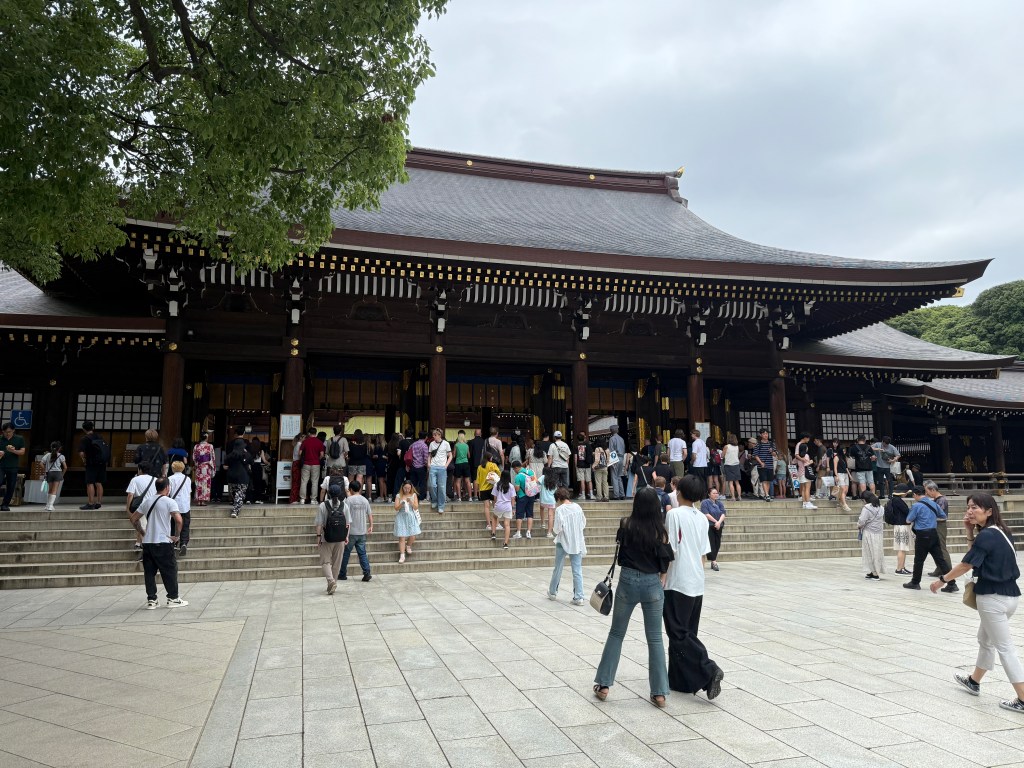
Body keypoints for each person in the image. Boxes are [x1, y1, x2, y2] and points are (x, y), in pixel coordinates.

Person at [935, 492, 1024, 713]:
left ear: (989, 511)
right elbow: (978, 554)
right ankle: (974, 681)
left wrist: (943, 580)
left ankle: (1023, 698)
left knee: (1005, 648)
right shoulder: (1002, 532)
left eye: (975, 507)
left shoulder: (986, 536)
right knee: (985, 638)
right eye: (969, 507)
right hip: (1010, 597)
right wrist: (968, 531)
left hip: (992, 598)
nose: (970, 511)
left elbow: (967, 564)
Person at [593, 487, 674, 707]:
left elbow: (621, 549)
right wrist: (663, 576)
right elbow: (666, 559)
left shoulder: (625, 524)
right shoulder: (661, 531)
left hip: (627, 581)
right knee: (655, 638)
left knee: (617, 633)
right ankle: (659, 693)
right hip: (652, 583)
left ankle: (604, 684)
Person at [664, 474, 724, 700]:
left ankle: (709, 669)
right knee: (687, 631)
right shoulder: (701, 517)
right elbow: (703, 553)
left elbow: (671, 550)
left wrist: (663, 577)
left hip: (677, 580)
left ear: (679, 492)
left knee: (678, 633)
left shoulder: (673, 515)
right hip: (696, 581)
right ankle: (681, 680)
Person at [129, 478, 188, 609]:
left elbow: (133, 518)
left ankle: (152, 600)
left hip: (148, 542)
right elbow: (178, 520)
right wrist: (177, 536)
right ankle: (173, 598)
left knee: (149, 573)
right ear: (167, 487)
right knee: (170, 570)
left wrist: (142, 532)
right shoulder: (169, 502)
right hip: (163, 542)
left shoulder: (147, 501)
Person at [903, 485, 955, 592]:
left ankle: (915, 582)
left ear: (915, 495)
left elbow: (908, 520)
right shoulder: (933, 503)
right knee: (940, 560)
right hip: (934, 533)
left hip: (922, 534)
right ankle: (952, 583)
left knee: (919, 560)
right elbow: (943, 516)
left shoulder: (916, 506)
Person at [547, 487, 587, 605]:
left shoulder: (560, 510)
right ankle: (579, 596)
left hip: (563, 541)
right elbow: (583, 522)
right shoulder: (577, 507)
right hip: (577, 541)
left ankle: (553, 592)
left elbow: (557, 528)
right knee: (577, 569)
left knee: (558, 567)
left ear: (558, 498)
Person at [315, 484, 349, 595]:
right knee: (337, 563)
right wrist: (346, 537)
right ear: (340, 494)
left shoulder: (323, 506)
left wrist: (318, 537)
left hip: (326, 538)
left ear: (328, 493)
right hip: (340, 538)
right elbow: (348, 524)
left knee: (325, 561)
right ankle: (333, 583)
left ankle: (331, 581)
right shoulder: (344, 506)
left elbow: (319, 524)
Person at [339, 480, 373, 582]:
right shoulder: (365, 500)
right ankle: (367, 573)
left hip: (351, 532)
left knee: (346, 553)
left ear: (351, 489)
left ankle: (342, 574)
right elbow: (370, 514)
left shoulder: (348, 500)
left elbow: (343, 514)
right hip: (362, 531)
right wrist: (371, 526)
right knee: (362, 553)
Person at [125, 465, 159, 559]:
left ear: (140, 469)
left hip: (141, 507)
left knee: (142, 527)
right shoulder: (156, 479)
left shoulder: (135, 479)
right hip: (153, 506)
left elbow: (130, 495)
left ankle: (146, 552)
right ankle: (139, 543)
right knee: (145, 526)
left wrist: (128, 508)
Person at [924, 480, 953, 577]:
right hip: (934, 525)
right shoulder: (935, 500)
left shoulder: (942, 500)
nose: (926, 493)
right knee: (935, 548)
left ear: (932, 490)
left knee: (941, 548)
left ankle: (948, 570)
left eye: (927, 491)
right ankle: (939, 568)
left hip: (940, 525)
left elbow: (941, 515)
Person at [78, 421, 107, 510]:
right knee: (99, 483)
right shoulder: (100, 436)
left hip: (91, 463)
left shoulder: (85, 439)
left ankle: (91, 503)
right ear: (93, 428)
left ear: (83, 429)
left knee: (90, 483)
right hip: (102, 462)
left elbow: (81, 453)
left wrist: (84, 460)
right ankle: (99, 502)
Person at [885, 484, 913, 575]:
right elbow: (907, 512)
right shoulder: (898, 501)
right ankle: (899, 569)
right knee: (902, 548)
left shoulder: (893, 500)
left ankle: (902, 567)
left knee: (902, 548)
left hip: (898, 526)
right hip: (902, 526)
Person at [224, 432, 251, 518]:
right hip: (243, 477)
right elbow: (251, 463)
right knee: (240, 494)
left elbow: (225, 466)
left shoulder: (229, 456)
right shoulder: (245, 454)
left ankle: (235, 507)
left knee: (234, 494)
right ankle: (235, 511)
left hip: (231, 477)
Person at [858, 491, 884, 580]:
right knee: (877, 552)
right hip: (878, 532)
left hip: (868, 532)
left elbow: (862, 521)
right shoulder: (881, 507)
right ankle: (874, 571)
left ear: (865, 499)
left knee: (869, 552)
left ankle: (875, 573)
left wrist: (858, 526)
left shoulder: (867, 508)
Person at [168, 460, 192, 555]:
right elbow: (189, 492)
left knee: (173, 524)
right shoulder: (188, 479)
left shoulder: (170, 479)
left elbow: (168, 492)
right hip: (185, 505)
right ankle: (184, 543)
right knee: (185, 525)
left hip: (174, 505)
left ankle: (173, 542)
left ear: (173, 468)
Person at [393, 481, 420, 564]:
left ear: (411, 488)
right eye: (405, 488)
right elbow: (396, 508)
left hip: (411, 516)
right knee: (402, 536)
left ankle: (408, 545)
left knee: (413, 535)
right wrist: (402, 503)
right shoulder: (398, 496)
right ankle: (402, 554)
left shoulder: (414, 495)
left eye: (409, 488)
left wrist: (411, 502)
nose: (407, 490)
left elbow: (416, 507)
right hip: (401, 516)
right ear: (402, 487)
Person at [426, 428, 452, 513]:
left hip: (442, 467)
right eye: (433, 435)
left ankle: (441, 505)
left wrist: (446, 465)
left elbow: (450, 455)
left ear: (440, 435)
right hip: (433, 466)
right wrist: (429, 463)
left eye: (435, 435)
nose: (433, 437)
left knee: (442, 487)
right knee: (431, 485)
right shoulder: (431, 444)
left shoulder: (446, 444)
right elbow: (429, 455)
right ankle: (434, 500)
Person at [477, 451, 502, 537]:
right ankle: (497, 524)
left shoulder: (480, 467)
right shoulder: (493, 465)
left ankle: (488, 525)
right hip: (492, 488)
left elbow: (478, 480)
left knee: (486, 507)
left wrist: (478, 491)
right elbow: (499, 473)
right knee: (495, 506)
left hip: (483, 489)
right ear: (489, 458)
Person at [701, 487, 726, 572]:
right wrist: (716, 522)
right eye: (713, 493)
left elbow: (723, 513)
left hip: (719, 525)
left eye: (717, 493)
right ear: (709, 494)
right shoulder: (705, 503)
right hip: (710, 525)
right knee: (711, 543)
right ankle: (714, 561)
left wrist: (719, 522)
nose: (716, 495)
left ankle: (713, 559)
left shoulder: (719, 503)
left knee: (717, 543)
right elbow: (706, 514)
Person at [511, 460, 537, 540]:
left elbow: (517, 488)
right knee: (530, 514)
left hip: (522, 496)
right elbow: (534, 482)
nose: (514, 471)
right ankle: (528, 532)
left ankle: (518, 532)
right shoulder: (530, 472)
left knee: (519, 514)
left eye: (514, 469)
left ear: (516, 468)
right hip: (531, 495)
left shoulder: (518, 476)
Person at [299, 427, 324, 504]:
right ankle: (313, 499)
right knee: (315, 482)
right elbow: (322, 454)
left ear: (309, 433)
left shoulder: (305, 442)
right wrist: (317, 459)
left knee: (304, 481)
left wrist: (304, 457)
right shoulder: (319, 442)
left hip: (306, 464)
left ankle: (302, 499)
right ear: (316, 433)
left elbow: (300, 453)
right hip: (316, 464)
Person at [492, 470, 515, 549]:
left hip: (499, 505)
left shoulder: (497, 485)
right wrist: (513, 508)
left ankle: (493, 533)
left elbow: (494, 498)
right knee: (507, 525)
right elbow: (513, 499)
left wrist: (495, 504)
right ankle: (505, 543)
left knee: (495, 517)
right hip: (508, 506)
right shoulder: (511, 486)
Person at [752, 428, 776, 502]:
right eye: (764, 434)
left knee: (769, 480)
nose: (766, 435)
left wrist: (772, 452)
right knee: (764, 480)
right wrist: (761, 462)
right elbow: (755, 455)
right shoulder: (758, 444)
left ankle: (766, 495)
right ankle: (767, 494)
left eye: (767, 433)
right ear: (761, 435)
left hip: (770, 464)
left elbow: (775, 454)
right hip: (761, 465)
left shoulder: (771, 444)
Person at [41, 441, 67, 512]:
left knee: (50, 489)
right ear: (60, 448)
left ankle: (47, 505)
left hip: (49, 473)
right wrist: (62, 475)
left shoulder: (47, 455)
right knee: (54, 490)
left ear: (51, 447)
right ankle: (51, 505)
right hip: (57, 473)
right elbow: (65, 467)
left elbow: (41, 463)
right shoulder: (61, 456)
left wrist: (45, 470)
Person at [847, 434, 875, 499]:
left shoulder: (854, 447)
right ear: (865, 440)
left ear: (857, 440)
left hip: (859, 468)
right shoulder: (869, 447)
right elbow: (873, 457)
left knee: (862, 482)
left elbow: (850, 457)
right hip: (869, 467)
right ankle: (873, 496)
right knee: (871, 482)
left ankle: (864, 498)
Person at [793, 433, 817, 510]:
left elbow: (794, 461)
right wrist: (811, 461)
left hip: (800, 472)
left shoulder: (799, 455)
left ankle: (804, 503)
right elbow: (807, 464)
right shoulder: (805, 455)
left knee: (803, 489)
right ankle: (808, 502)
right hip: (806, 472)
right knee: (807, 488)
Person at [192, 432, 216, 506]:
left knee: (199, 483)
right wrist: (213, 467)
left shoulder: (196, 446)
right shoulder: (210, 446)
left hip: (199, 467)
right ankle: (204, 500)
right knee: (205, 483)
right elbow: (212, 457)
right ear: (206, 437)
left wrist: (197, 464)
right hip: (207, 467)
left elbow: (194, 458)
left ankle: (198, 500)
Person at [831, 438, 852, 512]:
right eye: (843, 450)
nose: (844, 452)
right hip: (840, 474)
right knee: (842, 489)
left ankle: (841, 501)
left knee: (845, 490)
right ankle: (844, 504)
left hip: (845, 474)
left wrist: (849, 475)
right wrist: (836, 475)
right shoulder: (836, 457)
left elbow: (846, 467)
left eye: (845, 450)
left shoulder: (844, 457)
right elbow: (835, 467)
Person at [452, 430, 472, 503]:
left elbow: (454, 455)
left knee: (458, 481)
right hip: (466, 463)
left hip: (458, 463)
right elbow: (469, 456)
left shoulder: (456, 445)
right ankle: (470, 497)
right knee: (467, 481)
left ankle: (459, 497)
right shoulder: (466, 445)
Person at [247, 437, 268, 504]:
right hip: (258, 467)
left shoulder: (249, 450)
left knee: (250, 483)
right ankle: (257, 499)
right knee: (258, 484)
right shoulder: (261, 451)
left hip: (250, 467)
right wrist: (269, 463)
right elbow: (264, 461)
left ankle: (248, 499)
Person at [608, 424, 626, 499]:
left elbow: (612, 450)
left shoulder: (612, 439)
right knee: (619, 476)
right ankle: (622, 494)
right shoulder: (621, 439)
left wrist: (612, 461)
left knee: (614, 477)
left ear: (612, 431)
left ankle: (616, 495)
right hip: (622, 458)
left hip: (615, 458)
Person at [574, 432, 593, 500]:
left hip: (580, 465)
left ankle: (583, 495)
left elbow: (576, 457)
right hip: (587, 464)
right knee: (589, 480)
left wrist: (576, 465)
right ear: (584, 438)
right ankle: (591, 494)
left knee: (582, 480)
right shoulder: (588, 445)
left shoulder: (576, 446)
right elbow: (591, 454)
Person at [722, 434, 741, 501]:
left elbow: (722, 456)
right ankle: (739, 496)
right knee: (737, 482)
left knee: (730, 482)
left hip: (728, 465)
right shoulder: (737, 447)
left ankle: (733, 497)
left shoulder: (726, 446)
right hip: (736, 465)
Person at [468, 429, 486, 500]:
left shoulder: (471, 442)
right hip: (483, 463)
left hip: (474, 463)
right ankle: (481, 495)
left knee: (475, 479)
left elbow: (470, 454)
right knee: (483, 479)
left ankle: (475, 495)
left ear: (474, 434)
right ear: (480, 434)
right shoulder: (484, 442)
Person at [539, 470, 557, 537]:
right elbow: (555, 490)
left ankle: (543, 523)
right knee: (551, 516)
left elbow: (537, 482)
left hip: (543, 500)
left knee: (541, 508)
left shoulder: (543, 477)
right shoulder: (554, 480)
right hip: (551, 500)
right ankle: (549, 532)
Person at [591, 438, 610, 502]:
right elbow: (608, 460)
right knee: (605, 482)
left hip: (598, 468)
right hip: (605, 468)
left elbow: (597, 460)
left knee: (598, 482)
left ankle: (599, 497)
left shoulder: (597, 449)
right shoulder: (607, 449)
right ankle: (606, 497)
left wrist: (593, 466)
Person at [289, 432, 304, 504]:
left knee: (295, 481)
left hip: (294, 463)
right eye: (304, 437)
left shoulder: (296, 444)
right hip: (298, 463)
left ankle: (293, 498)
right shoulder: (300, 445)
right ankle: (294, 499)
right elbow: (300, 455)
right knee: (297, 482)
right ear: (301, 438)